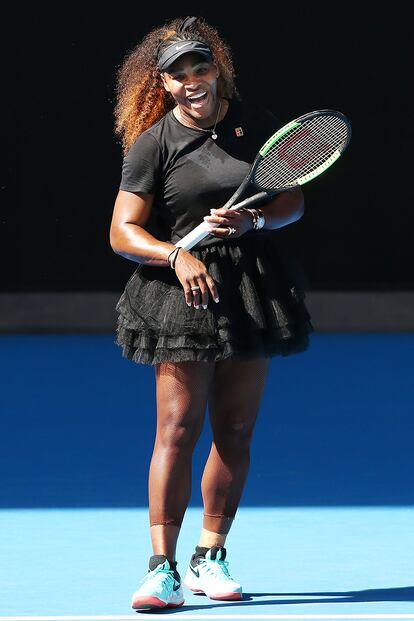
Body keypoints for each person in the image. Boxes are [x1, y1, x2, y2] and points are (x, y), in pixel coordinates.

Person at [110, 15, 313, 611]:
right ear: (164, 86)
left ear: (216, 68)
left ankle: (210, 554)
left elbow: (290, 200)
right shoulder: (154, 143)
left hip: (251, 291)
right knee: (176, 431)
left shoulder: (250, 127)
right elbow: (122, 231)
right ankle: (161, 568)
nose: (193, 80)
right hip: (181, 295)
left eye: (201, 67)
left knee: (235, 430)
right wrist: (175, 255)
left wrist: (253, 219)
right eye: (179, 74)